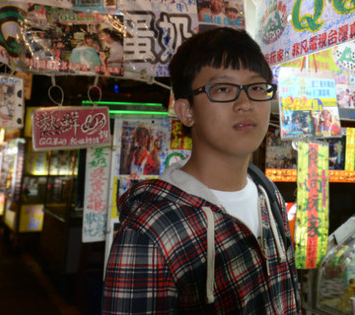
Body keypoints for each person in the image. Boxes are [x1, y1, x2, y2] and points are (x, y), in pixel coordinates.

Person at [103, 27, 300, 314]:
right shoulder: (151, 231)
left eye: (257, 88)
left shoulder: (269, 196)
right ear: (186, 111)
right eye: (223, 89)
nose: (246, 104)